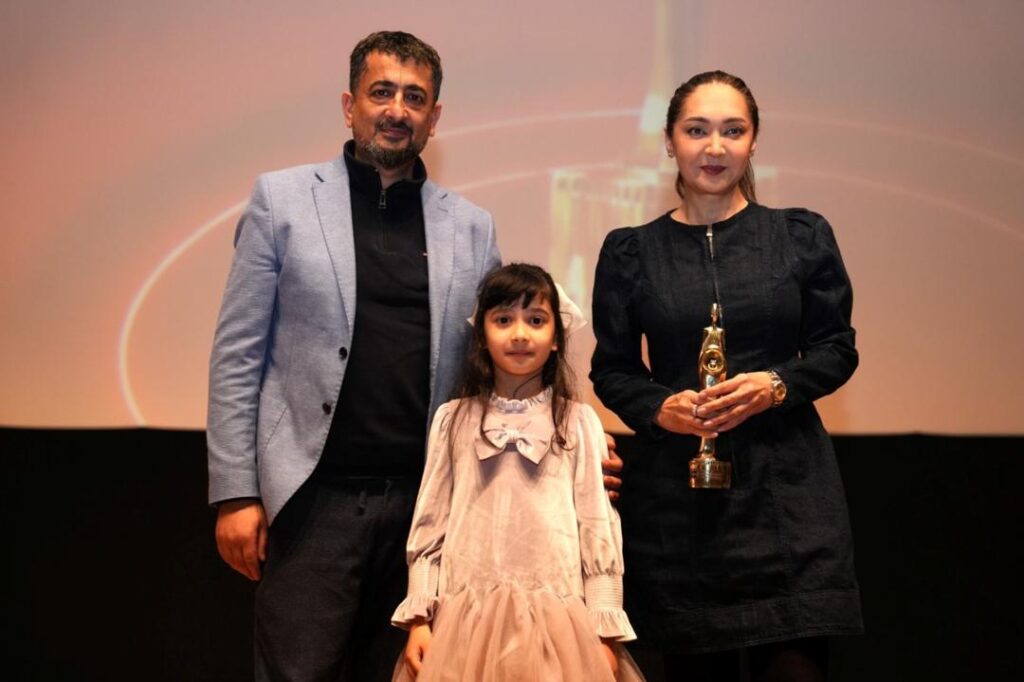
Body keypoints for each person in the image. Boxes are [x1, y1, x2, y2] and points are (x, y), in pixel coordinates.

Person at [206, 31, 500, 681]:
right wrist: (235, 492)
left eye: (414, 98)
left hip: (426, 510)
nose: (397, 109)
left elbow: (498, 361)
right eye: (381, 92)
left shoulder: (472, 226)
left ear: (434, 117)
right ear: (349, 105)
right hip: (313, 503)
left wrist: (566, 434)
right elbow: (237, 354)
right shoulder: (281, 201)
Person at [590, 71, 862, 681]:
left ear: (754, 141)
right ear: (669, 142)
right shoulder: (630, 251)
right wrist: (659, 407)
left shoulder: (801, 236)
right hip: (680, 513)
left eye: (732, 131)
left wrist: (776, 385)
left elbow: (836, 348)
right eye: (697, 130)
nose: (715, 147)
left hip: (790, 504)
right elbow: (612, 369)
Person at [390, 264, 644, 681]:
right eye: (504, 320)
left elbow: (598, 527)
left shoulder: (579, 422)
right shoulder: (452, 419)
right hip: (462, 621)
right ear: (482, 336)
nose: (520, 334)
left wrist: (604, 628)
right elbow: (430, 525)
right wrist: (419, 617)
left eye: (536, 320)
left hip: (559, 623)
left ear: (557, 337)